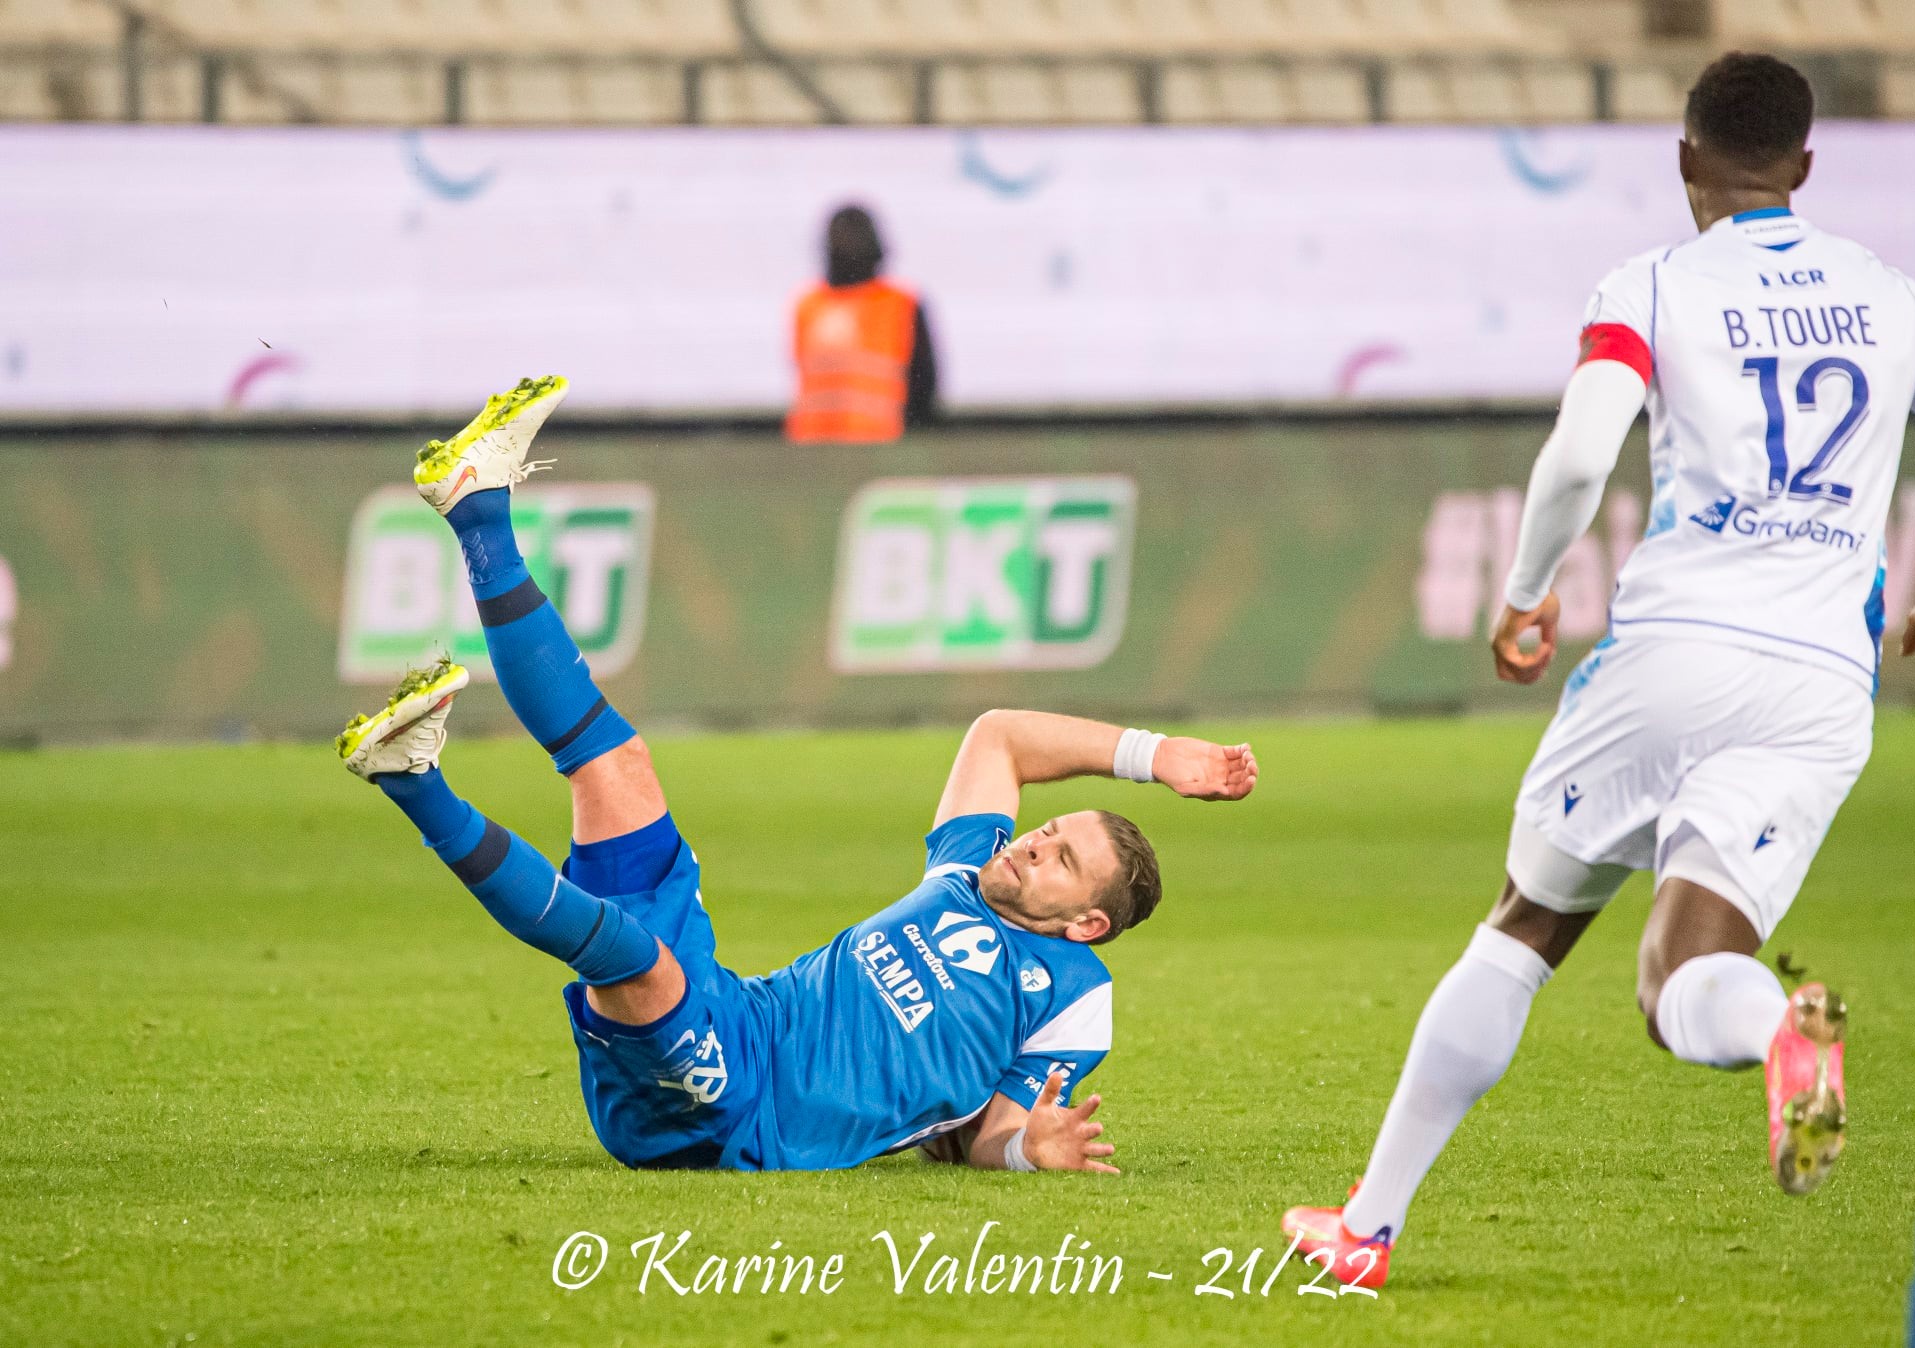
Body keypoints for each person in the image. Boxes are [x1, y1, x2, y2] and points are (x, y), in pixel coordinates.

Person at [1283, 52, 1915, 1289]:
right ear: (1803, 168)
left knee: (1525, 927)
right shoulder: (1893, 296)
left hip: (1674, 655)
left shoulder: (1654, 285)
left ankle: (1366, 1227)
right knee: (1681, 973)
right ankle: (1773, 1029)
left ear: (1685, 159)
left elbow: (1582, 454)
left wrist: (1523, 595)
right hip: (1818, 688)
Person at [336, 375, 1257, 1172]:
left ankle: (413, 779)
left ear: (1087, 924)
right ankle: (478, 509)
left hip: (745, 1110)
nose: (1033, 842)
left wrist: (1028, 1149)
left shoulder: (1070, 994)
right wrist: (1155, 756)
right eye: (1050, 829)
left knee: (640, 966)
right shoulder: (966, 871)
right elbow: (1001, 735)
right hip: (742, 1013)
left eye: (1059, 859)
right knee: (617, 768)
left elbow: (996, 1134)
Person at [785, 204, 938, 444]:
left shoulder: (810, 306)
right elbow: (925, 388)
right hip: (820, 450)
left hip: (872, 449)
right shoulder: (808, 306)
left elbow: (923, 388)